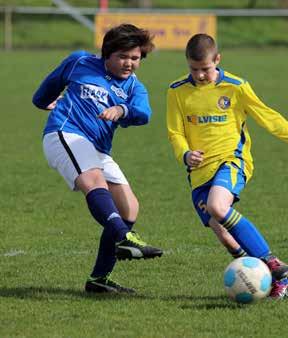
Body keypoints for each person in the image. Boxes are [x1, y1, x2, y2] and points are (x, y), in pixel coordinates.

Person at [166, 33, 288, 300]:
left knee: (218, 207)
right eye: (194, 69)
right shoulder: (176, 90)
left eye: (205, 69)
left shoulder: (235, 86)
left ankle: (270, 260)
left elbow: (268, 117)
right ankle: (271, 280)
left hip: (231, 160)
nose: (199, 75)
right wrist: (185, 154)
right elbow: (175, 132)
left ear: (218, 60)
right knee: (223, 234)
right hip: (198, 172)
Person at [32, 24, 163, 294]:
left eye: (135, 58)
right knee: (93, 180)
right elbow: (42, 95)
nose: (129, 63)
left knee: (129, 208)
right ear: (107, 53)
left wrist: (121, 109)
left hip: (96, 149)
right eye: (123, 56)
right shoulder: (79, 61)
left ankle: (99, 280)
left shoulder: (134, 88)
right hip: (64, 134)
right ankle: (125, 238)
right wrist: (47, 102)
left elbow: (144, 113)